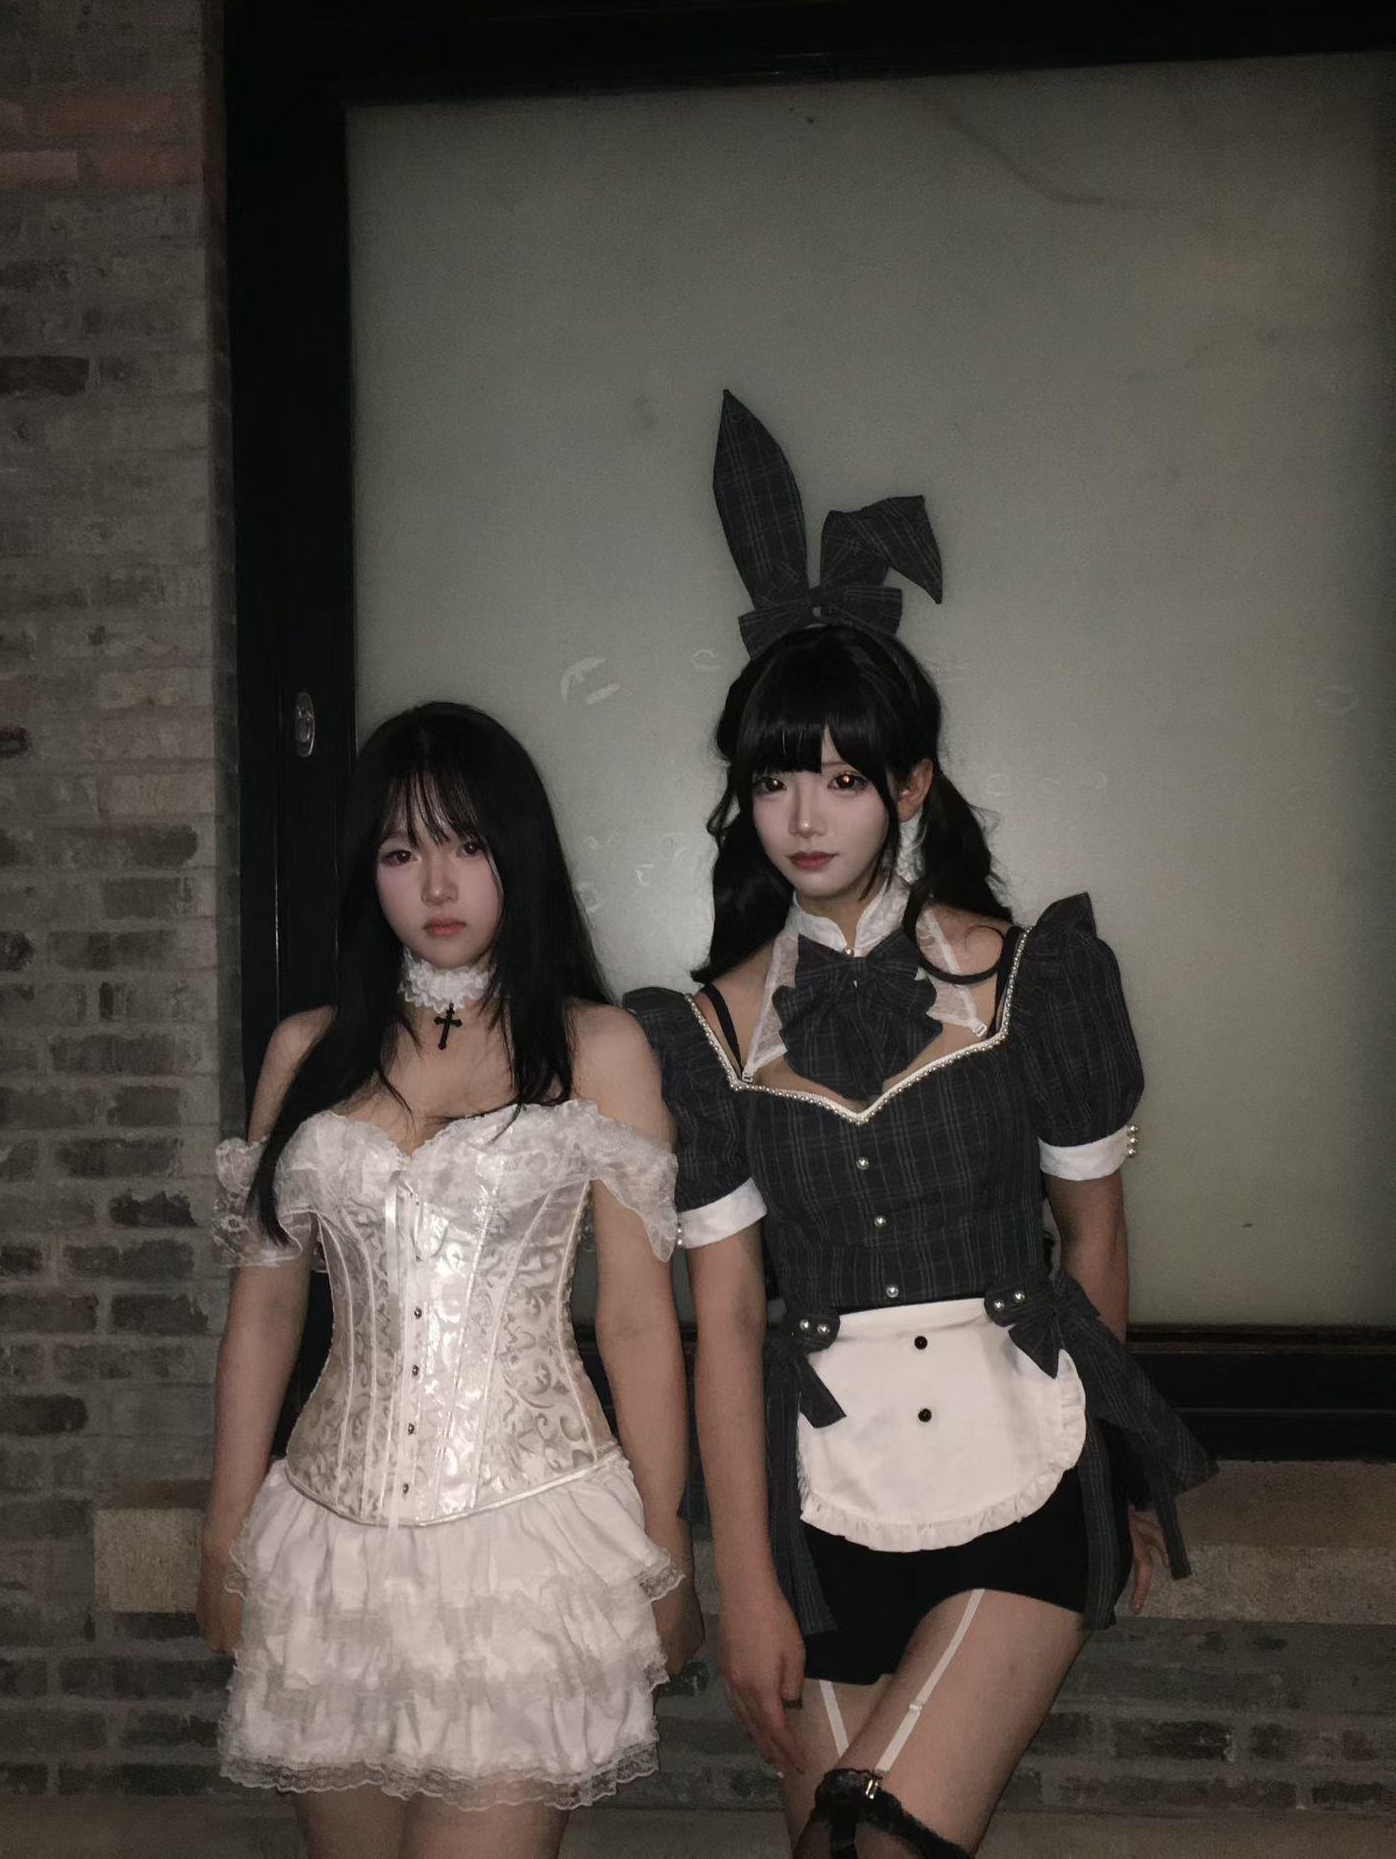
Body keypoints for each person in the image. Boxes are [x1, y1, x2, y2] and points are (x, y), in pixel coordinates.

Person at [626, 396, 1212, 1858]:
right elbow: (727, 1315)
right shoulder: (704, 1033)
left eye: (842, 777)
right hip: (822, 1509)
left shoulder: (1033, 982)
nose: (803, 815)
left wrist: (1120, 1471)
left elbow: (1092, 1238)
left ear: (911, 786)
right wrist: (745, 1582)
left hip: (1028, 1469)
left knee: (879, 1834)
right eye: (774, 779)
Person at [197, 701, 702, 1859]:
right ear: (365, 873)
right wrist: (225, 1532)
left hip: (527, 1544)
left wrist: (665, 1540)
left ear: (518, 853)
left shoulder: (598, 1048)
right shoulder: (307, 1051)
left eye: (468, 844)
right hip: (330, 1552)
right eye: (400, 851)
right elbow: (266, 1313)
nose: (436, 884)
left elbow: (636, 1324)